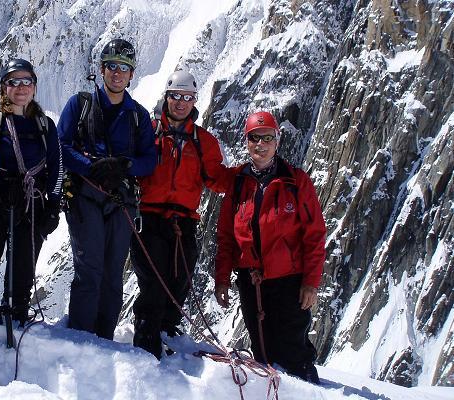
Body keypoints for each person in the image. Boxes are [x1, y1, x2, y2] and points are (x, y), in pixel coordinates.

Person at [214, 111, 326, 384]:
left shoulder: (296, 181)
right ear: (247, 141)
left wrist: (310, 283)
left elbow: (314, 235)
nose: (260, 144)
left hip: (289, 282)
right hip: (252, 283)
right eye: (254, 138)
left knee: (294, 352)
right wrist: (222, 279)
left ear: (277, 141)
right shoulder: (239, 182)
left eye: (267, 138)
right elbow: (226, 235)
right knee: (263, 353)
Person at [57, 38, 157, 340]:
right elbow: (60, 147)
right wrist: (90, 167)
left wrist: (124, 167)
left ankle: (104, 340)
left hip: (120, 200)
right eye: (112, 66)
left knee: (113, 274)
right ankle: (81, 339)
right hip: (85, 196)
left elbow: (150, 159)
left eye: (124, 68)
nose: (117, 73)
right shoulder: (80, 104)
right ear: (101, 70)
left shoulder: (138, 115)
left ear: (131, 74)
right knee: (89, 271)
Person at [130, 70, 230, 359]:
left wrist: (244, 179)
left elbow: (216, 178)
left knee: (180, 279)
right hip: (149, 217)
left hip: (184, 221)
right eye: (176, 96)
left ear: (194, 101)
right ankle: (147, 341)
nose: (181, 103)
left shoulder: (203, 142)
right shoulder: (148, 132)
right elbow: (134, 166)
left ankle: (167, 332)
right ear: (167, 98)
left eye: (188, 98)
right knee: (154, 281)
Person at [0, 58, 62, 353]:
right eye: (13, 82)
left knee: (23, 266)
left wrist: (53, 206)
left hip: (32, 203)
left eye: (26, 82)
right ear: (3, 88)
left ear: (34, 86)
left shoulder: (45, 125)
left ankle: (17, 315)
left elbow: (57, 168)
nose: (20, 88)